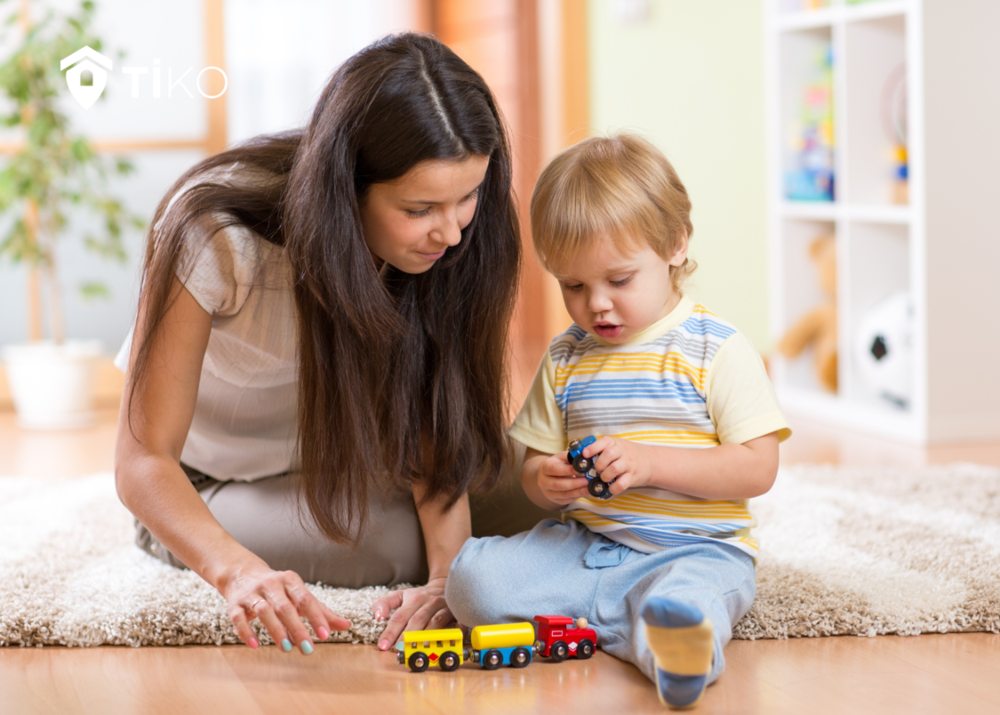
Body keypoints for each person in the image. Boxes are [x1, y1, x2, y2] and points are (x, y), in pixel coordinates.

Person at [114, 33, 549, 658]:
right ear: (346, 188)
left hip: (368, 460)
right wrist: (238, 571)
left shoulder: (455, 240)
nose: (451, 232)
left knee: (548, 480)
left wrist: (446, 581)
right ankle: (174, 541)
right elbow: (143, 461)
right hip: (216, 483)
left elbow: (441, 433)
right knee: (395, 541)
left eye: (468, 198)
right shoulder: (214, 232)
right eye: (420, 207)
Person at [445, 134, 791, 709]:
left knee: (690, 603)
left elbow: (758, 468)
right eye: (573, 286)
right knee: (473, 580)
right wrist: (545, 481)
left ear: (676, 244)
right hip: (585, 545)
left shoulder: (716, 350)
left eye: (619, 280)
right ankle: (629, 626)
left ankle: (668, 643)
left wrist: (652, 463)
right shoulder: (565, 357)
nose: (596, 304)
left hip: (693, 549)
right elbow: (533, 467)